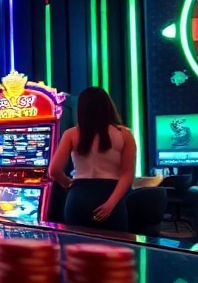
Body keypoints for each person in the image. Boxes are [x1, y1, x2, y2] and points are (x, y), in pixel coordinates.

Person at [50, 86, 137, 231]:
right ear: (108, 106)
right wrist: (111, 204)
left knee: (77, 244)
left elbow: (54, 170)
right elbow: (127, 174)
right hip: (110, 194)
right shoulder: (124, 134)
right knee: (114, 244)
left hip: (78, 196)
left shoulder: (71, 134)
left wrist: (69, 184)